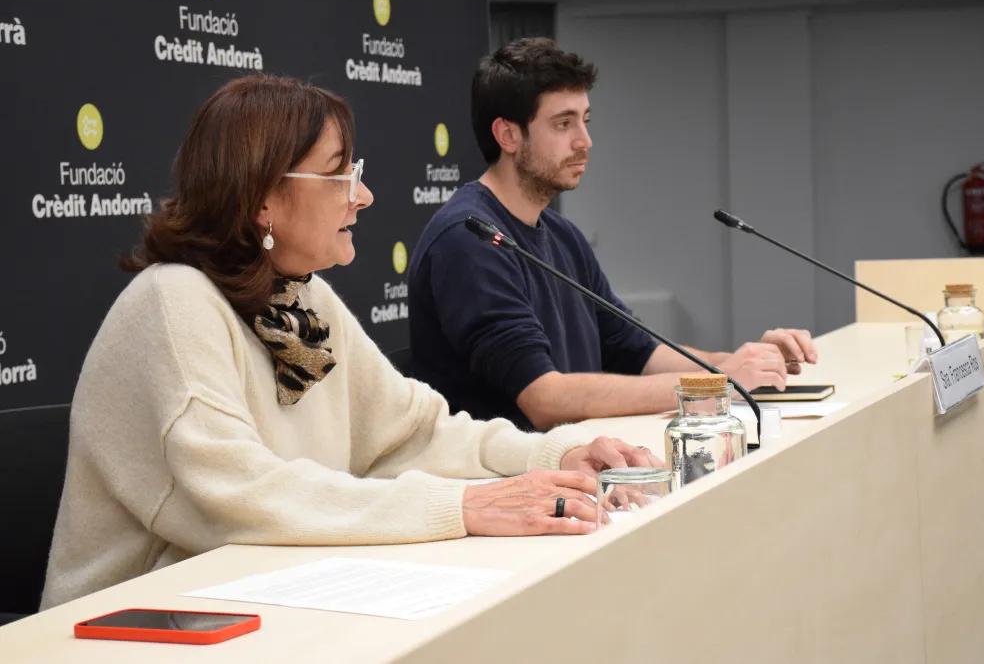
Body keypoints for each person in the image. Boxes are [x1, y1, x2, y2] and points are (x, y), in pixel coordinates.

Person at [40, 75, 659, 610]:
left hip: (253, 598)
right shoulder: (174, 300)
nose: (362, 195)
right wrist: (465, 505)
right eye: (339, 174)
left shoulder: (302, 296)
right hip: (128, 627)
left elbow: (412, 434)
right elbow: (237, 496)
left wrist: (551, 457)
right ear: (263, 198)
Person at [408, 38, 819, 432]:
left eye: (585, 121)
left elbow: (637, 350)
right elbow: (543, 398)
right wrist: (716, 383)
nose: (584, 141)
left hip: (578, 459)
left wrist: (745, 364)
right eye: (563, 124)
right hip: (508, 473)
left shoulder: (562, 235)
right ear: (508, 135)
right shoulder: (468, 240)